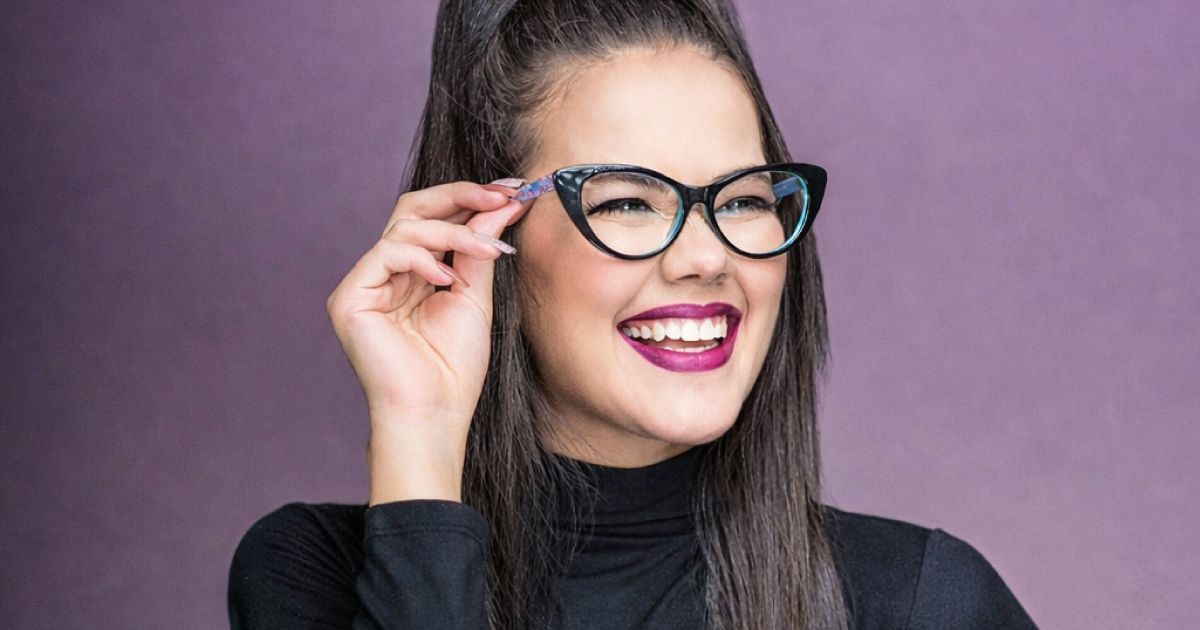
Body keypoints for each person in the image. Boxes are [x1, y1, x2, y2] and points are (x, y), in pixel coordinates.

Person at [227, 0, 1037, 628]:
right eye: (625, 203)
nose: (706, 256)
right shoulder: (312, 574)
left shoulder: (919, 601)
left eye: (745, 198)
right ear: (482, 233)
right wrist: (419, 430)